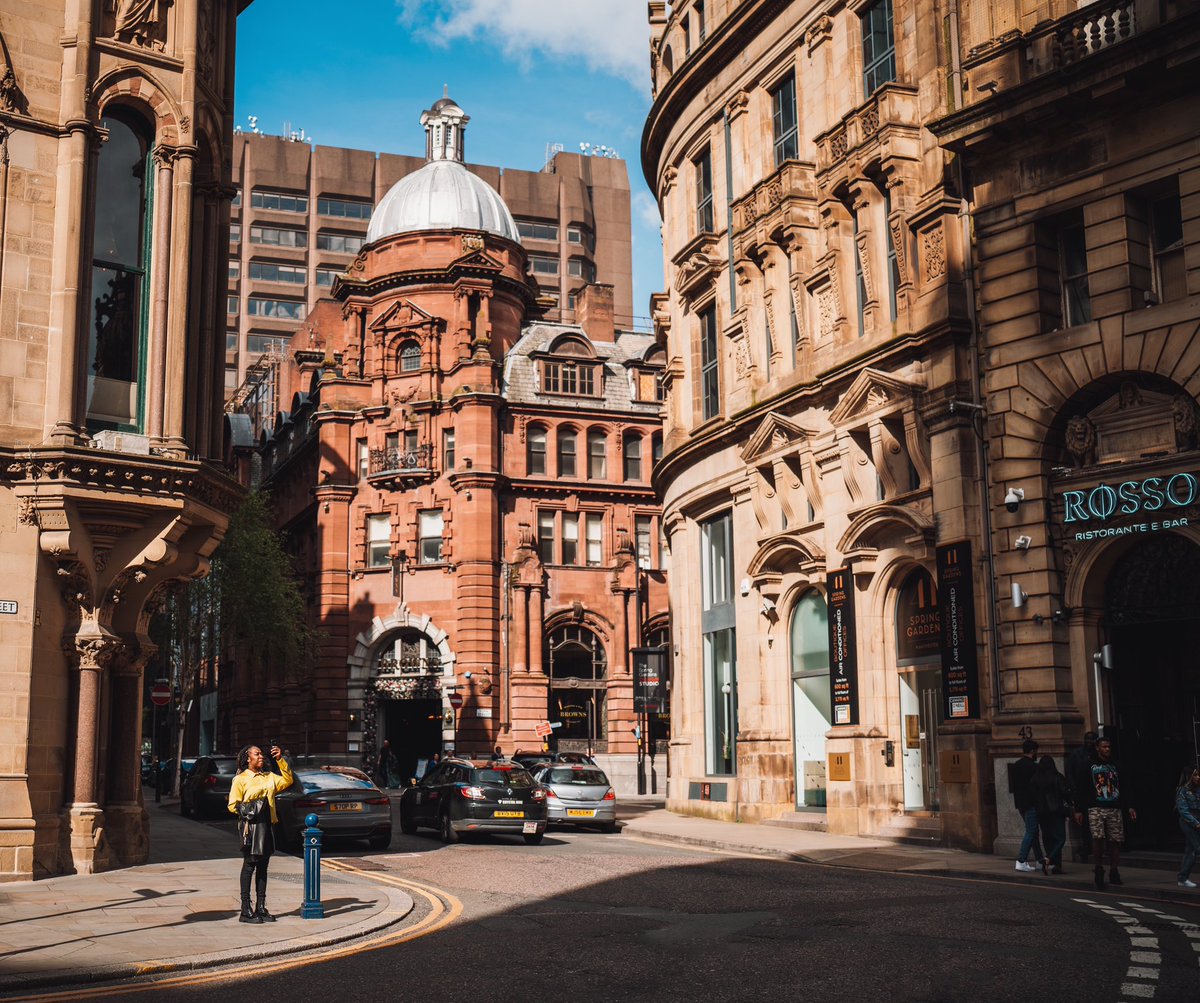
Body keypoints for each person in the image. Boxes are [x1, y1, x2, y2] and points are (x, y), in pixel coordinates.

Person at [228, 743, 293, 923]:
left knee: (263, 867)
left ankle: (261, 907)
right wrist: (253, 809)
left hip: (267, 825)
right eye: (256, 754)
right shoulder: (240, 779)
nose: (261, 757)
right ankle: (245, 909)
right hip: (251, 826)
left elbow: (288, 780)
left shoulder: (269, 777)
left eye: (261, 754)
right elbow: (233, 805)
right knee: (250, 865)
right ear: (248, 758)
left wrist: (280, 760)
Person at [1073, 736, 1136, 890]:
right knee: (1098, 838)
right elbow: (1079, 787)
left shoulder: (1116, 765)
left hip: (1114, 806)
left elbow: (1125, 786)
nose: (1107, 749)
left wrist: (1130, 806)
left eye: (1109, 747)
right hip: (1095, 806)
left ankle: (1114, 871)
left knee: (1116, 840)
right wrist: (1078, 809)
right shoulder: (1088, 765)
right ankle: (1099, 869)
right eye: (1104, 747)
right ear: (1097, 748)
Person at [1031, 754, 1071, 874]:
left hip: (1041, 813)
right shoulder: (1057, 777)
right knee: (1060, 838)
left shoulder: (1035, 779)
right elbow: (1065, 793)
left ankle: (1055, 865)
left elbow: (1032, 797)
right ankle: (1049, 859)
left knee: (1048, 839)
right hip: (1056, 811)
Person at [1012, 738, 1046, 874]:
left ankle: (1039, 860)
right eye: (1036, 751)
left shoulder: (1016, 765)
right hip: (1031, 804)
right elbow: (1037, 787)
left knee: (1033, 832)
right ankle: (1021, 860)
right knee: (1031, 831)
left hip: (1020, 803)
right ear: (1033, 751)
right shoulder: (1034, 767)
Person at [1065, 730, 1098, 863]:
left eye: (1091, 740)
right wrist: (1074, 790)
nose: (1089, 742)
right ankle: (1086, 848)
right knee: (1084, 825)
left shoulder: (1098, 755)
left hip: (1097, 794)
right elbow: (1070, 773)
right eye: (1087, 739)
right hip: (1082, 794)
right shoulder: (1076, 755)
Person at [1175, 763, 1200, 889]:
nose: (1198, 777)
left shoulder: (1198, 789)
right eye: (1195, 775)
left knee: (1191, 849)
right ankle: (1182, 877)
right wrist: (1196, 823)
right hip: (1187, 821)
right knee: (1196, 848)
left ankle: (1182, 877)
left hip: (1197, 820)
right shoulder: (1183, 790)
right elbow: (1183, 811)